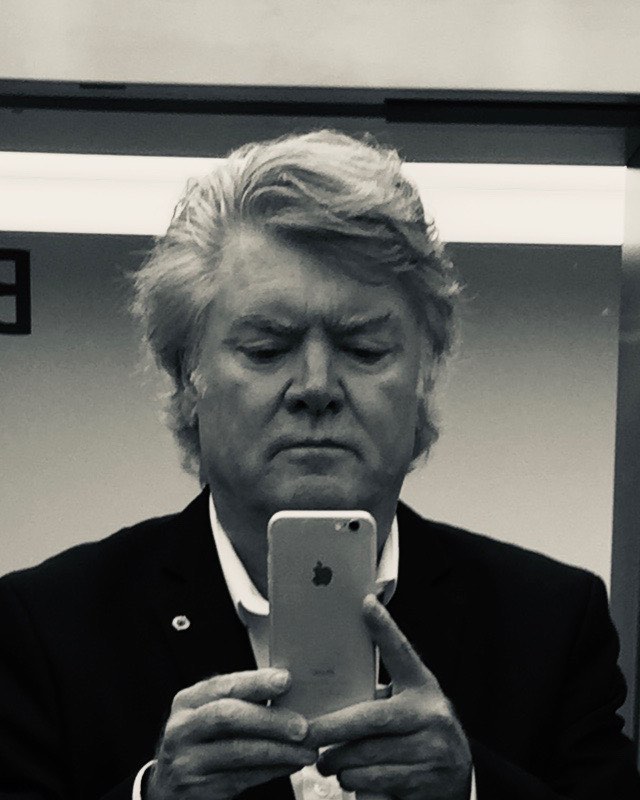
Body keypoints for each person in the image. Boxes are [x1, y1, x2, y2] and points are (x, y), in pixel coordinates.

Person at [0, 129, 638, 800]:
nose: (315, 386)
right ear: (188, 378)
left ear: (425, 376)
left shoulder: (549, 623)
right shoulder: (47, 630)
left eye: (363, 349)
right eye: (266, 348)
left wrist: (471, 788)